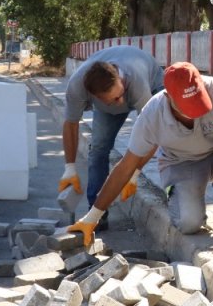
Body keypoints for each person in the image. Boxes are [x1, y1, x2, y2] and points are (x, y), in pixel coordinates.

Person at [67, 62, 213, 244]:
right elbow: (125, 166)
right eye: (188, 108)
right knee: (189, 224)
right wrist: (93, 217)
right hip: (182, 166)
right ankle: (180, 195)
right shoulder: (152, 113)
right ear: (169, 97)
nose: (195, 114)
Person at [60, 45, 169, 225]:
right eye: (114, 100)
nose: (121, 103)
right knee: (98, 149)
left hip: (153, 83)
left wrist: (133, 174)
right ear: (93, 97)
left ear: (119, 78)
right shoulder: (77, 86)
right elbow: (71, 124)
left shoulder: (137, 84)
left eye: (120, 95)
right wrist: (69, 167)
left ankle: (175, 191)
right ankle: (96, 214)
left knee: (168, 135)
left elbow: (152, 135)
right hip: (109, 100)